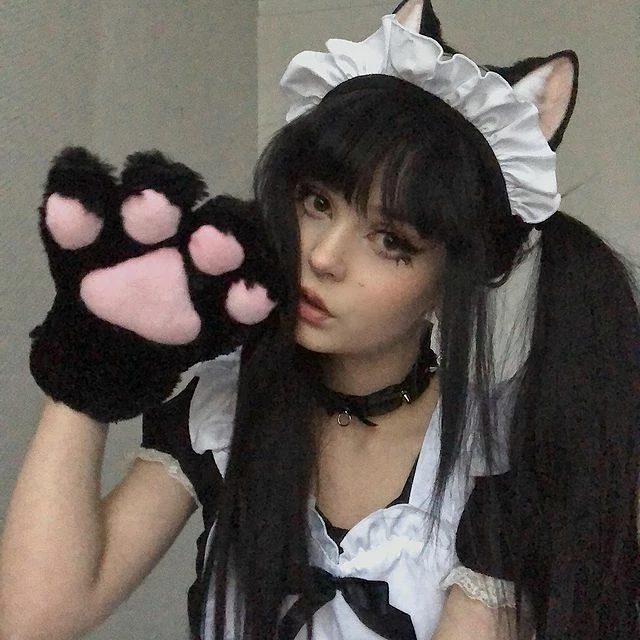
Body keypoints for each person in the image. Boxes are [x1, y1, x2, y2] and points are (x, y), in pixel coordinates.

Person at [0, 1, 637, 639]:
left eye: (390, 240)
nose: (324, 257)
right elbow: (33, 618)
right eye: (317, 202)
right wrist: (90, 359)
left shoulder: (493, 461)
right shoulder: (227, 409)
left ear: (454, 280)